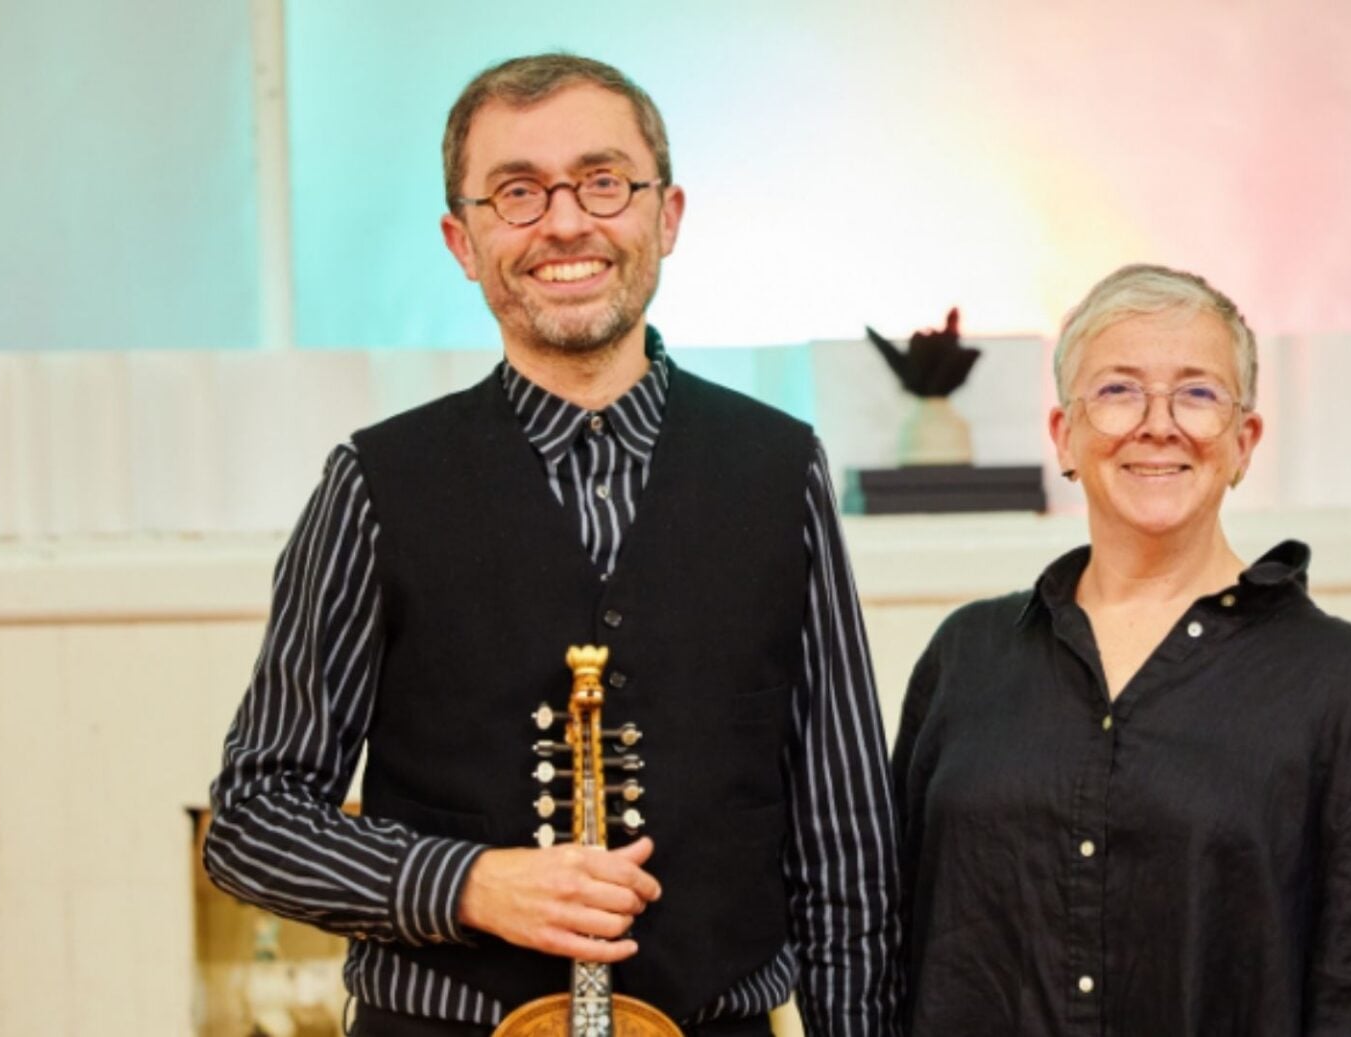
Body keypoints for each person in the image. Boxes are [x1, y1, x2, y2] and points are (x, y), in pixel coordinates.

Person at [204, 53, 899, 1037]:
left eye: (604, 181)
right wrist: (467, 881)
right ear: (463, 240)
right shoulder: (373, 482)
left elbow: (846, 841)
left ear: (668, 215)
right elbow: (255, 819)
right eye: (518, 193)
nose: (567, 222)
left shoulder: (781, 469)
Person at [892, 264, 1351, 1034]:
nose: (1158, 423)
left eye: (1198, 393)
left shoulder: (1337, 683)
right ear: (1064, 435)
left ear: (1244, 441)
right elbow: (890, 947)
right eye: (1117, 390)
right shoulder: (966, 661)